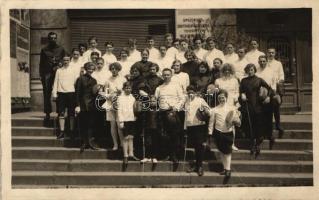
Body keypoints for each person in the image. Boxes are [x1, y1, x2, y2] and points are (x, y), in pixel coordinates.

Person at [239, 63, 274, 158]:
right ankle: (252, 143)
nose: (250, 71)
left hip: (257, 105)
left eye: (252, 70)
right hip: (247, 105)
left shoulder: (259, 80)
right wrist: (242, 94)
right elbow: (240, 91)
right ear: (246, 71)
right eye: (248, 70)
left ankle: (258, 144)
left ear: (254, 70)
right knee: (249, 124)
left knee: (258, 124)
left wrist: (267, 97)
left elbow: (270, 89)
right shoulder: (243, 80)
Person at [208, 89, 241, 184]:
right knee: (222, 151)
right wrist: (210, 133)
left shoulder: (232, 108)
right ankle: (225, 169)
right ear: (217, 99)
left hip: (228, 132)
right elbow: (211, 122)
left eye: (223, 97)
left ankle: (228, 169)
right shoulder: (214, 109)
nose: (221, 99)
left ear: (226, 98)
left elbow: (237, 120)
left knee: (228, 152)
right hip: (218, 133)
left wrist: (236, 120)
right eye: (219, 98)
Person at [155, 68, 186, 164]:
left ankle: (174, 155)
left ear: (171, 75)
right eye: (164, 75)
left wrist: (176, 108)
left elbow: (182, 99)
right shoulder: (159, 88)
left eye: (168, 74)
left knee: (175, 135)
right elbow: (155, 101)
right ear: (162, 76)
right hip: (162, 114)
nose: (166, 76)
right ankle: (165, 154)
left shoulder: (176, 86)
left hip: (174, 113)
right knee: (164, 135)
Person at [39, 32, 66, 125]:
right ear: (49, 39)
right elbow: (41, 63)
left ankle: (59, 112)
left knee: (59, 92)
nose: (53, 40)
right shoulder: (44, 50)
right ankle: (47, 113)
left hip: (58, 74)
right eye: (51, 38)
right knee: (47, 94)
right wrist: (41, 75)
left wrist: (60, 64)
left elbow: (65, 59)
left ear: (56, 39)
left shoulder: (61, 49)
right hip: (47, 74)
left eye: (55, 38)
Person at [140, 64, 164, 163]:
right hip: (147, 100)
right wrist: (148, 96)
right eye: (151, 69)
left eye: (154, 69)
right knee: (148, 138)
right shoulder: (145, 79)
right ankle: (147, 156)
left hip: (157, 101)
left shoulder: (160, 80)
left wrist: (155, 98)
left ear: (157, 70)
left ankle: (154, 156)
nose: (152, 70)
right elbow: (140, 89)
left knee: (156, 137)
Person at [185, 85, 210, 176]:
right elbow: (186, 115)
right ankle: (196, 165)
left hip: (199, 126)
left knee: (199, 146)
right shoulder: (186, 101)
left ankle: (199, 166)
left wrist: (205, 111)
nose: (190, 94)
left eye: (192, 92)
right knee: (195, 146)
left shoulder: (200, 100)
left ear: (195, 92)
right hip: (190, 126)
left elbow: (209, 111)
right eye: (188, 92)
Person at [215, 63, 240, 151]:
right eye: (225, 70)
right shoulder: (218, 81)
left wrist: (236, 98)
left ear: (231, 71)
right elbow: (216, 93)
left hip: (231, 103)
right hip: (221, 103)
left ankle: (232, 143)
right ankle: (222, 144)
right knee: (221, 122)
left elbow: (237, 92)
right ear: (222, 71)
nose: (227, 72)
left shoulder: (235, 81)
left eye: (229, 70)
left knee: (231, 124)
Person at [52, 54, 78, 139]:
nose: (66, 61)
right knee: (61, 113)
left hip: (71, 93)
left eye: (67, 60)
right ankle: (62, 131)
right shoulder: (59, 71)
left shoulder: (74, 70)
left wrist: (76, 95)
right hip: (61, 93)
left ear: (70, 60)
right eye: (64, 60)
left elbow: (76, 83)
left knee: (71, 114)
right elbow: (55, 82)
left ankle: (71, 131)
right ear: (62, 61)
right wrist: (54, 94)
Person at [75, 62, 99, 153]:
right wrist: (77, 105)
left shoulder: (94, 80)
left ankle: (90, 142)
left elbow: (94, 93)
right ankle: (84, 143)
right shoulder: (80, 79)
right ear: (86, 69)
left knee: (90, 124)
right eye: (89, 68)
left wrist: (98, 90)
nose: (91, 70)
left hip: (91, 105)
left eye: (92, 69)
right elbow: (77, 93)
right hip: (83, 105)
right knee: (83, 124)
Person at [103, 62, 126, 151]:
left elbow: (126, 92)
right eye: (112, 69)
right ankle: (115, 144)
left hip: (121, 103)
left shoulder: (123, 80)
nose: (114, 70)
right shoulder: (108, 80)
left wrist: (121, 93)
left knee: (120, 124)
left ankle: (122, 143)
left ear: (118, 69)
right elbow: (106, 93)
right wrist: (111, 95)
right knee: (112, 125)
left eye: (115, 69)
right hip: (110, 104)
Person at [117, 82, 139, 170]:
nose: (128, 89)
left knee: (131, 137)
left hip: (132, 119)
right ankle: (125, 155)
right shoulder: (120, 98)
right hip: (124, 120)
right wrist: (121, 121)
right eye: (126, 88)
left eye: (129, 88)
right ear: (123, 88)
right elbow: (119, 110)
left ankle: (131, 154)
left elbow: (134, 108)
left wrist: (135, 116)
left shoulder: (132, 98)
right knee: (125, 138)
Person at [267, 48, 285, 138]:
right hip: (267, 89)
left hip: (276, 88)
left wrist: (280, 81)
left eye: (272, 53)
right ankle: (269, 128)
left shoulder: (278, 63)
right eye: (269, 52)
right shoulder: (265, 63)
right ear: (267, 53)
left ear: (275, 54)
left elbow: (281, 75)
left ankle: (278, 125)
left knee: (276, 107)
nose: (271, 54)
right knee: (268, 109)